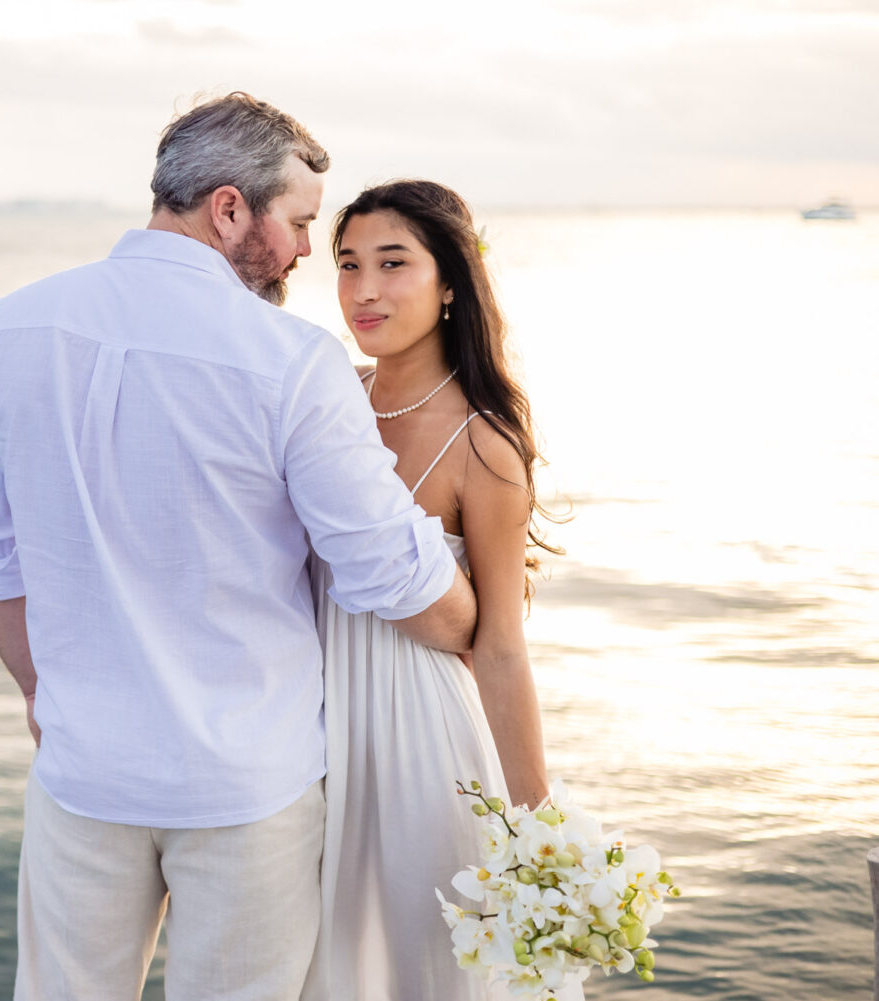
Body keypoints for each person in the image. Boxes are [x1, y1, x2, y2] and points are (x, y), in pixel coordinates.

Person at [0, 95, 478, 1001]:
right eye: (301, 223)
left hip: (81, 771)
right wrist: (481, 619)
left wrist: (41, 690)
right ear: (230, 209)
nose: (310, 253)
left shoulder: (4, 330)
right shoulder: (291, 361)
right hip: (247, 788)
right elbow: (390, 570)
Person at [301, 180, 577, 1001]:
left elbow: (498, 646)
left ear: (450, 280)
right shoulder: (325, 399)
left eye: (393, 264)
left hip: (422, 736)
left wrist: (535, 826)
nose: (365, 290)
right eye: (348, 265)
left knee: (431, 968)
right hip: (309, 726)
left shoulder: (485, 442)